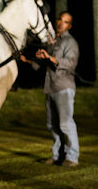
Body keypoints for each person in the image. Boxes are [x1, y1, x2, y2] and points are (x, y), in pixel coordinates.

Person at [20, 11, 80, 167]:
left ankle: (72, 157)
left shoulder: (70, 42)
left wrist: (50, 58)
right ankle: (57, 156)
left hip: (63, 87)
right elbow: (39, 65)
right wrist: (26, 59)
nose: (61, 23)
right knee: (52, 125)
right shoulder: (52, 42)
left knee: (66, 124)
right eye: (60, 19)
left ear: (69, 26)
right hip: (50, 88)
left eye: (65, 21)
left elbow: (69, 64)